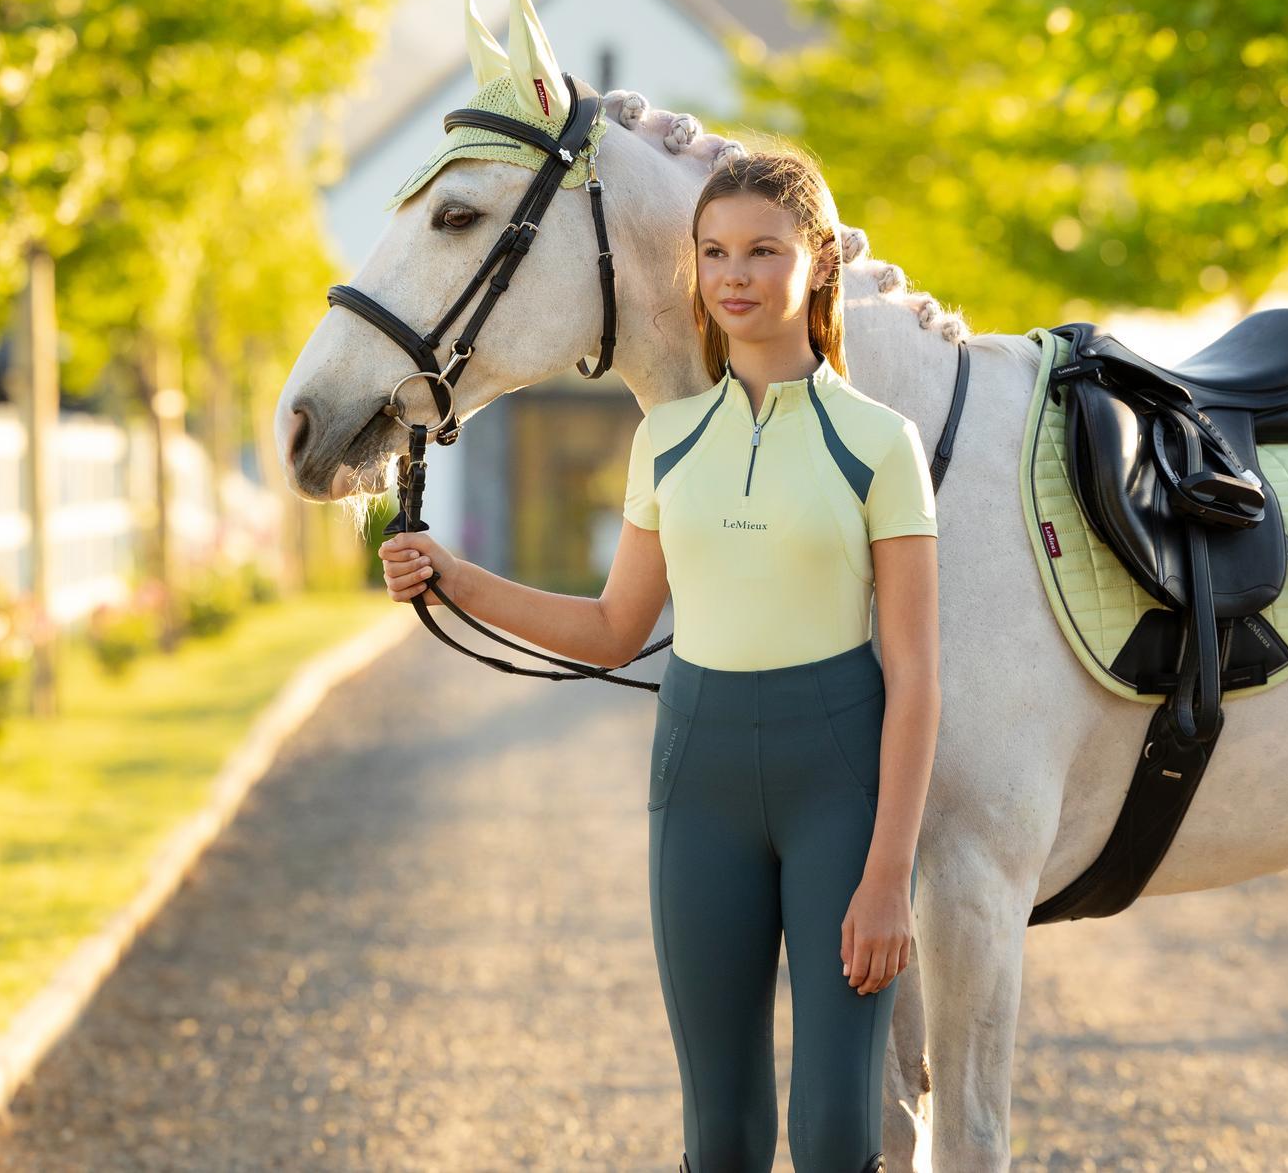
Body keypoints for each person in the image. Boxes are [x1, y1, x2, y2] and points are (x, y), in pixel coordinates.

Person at [377, 146, 940, 1173]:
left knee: (835, 1134)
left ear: (818, 262)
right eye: (713, 251)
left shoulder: (879, 442)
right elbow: (613, 628)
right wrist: (454, 578)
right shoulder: (667, 439)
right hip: (699, 786)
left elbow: (914, 676)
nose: (733, 275)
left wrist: (889, 877)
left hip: (839, 791)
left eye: (762, 251)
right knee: (720, 1135)